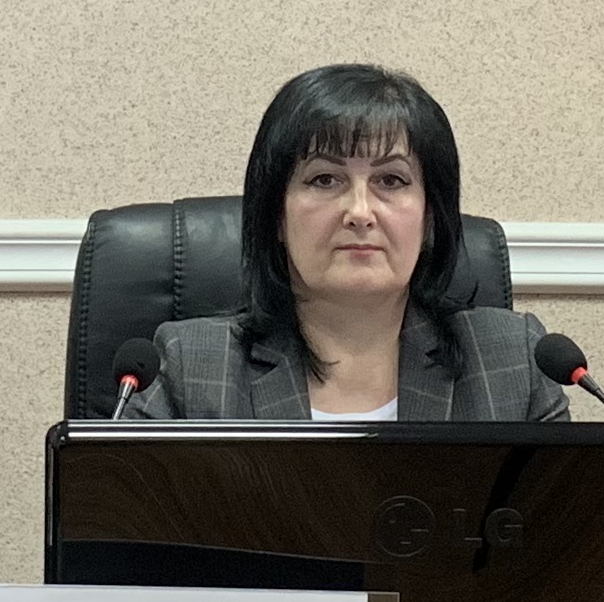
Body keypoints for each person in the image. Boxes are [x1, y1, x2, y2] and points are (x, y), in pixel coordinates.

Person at [123, 63, 568, 421]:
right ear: (275, 214)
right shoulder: (191, 370)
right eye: (324, 179)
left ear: (431, 216)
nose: (359, 211)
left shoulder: (513, 363)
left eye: (391, 180)